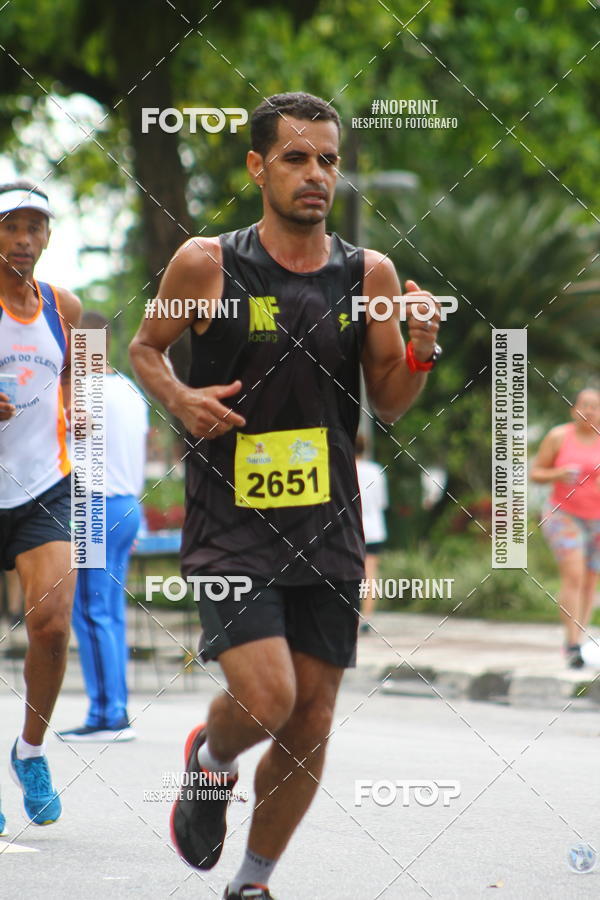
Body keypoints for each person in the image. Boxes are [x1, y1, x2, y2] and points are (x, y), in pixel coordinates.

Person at [129, 91, 442, 900]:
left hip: (328, 522)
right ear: (257, 166)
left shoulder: (365, 272)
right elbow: (145, 348)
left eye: (328, 160)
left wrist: (418, 350)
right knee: (268, 697)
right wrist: (180, 400)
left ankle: (254, 882)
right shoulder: (208, 262)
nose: (315, 175)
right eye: (297, 157)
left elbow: (391, 400)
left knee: (310, 721)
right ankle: (209, 759)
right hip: (230, 520)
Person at [0, 179, 81, 832]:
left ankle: (30, 752)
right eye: (11, 227)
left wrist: (80, 405)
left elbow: (82, 368)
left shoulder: (65, 306)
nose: (24, 241)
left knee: (52, 624)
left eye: (36, 228)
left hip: (45, 487)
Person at [58, 311, 148, 742]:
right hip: (128, 505)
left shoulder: (86, 393)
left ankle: (107, 715)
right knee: (109, 612)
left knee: (91, 612)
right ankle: (115, 709)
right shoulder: (131, 390)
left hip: (96, 506)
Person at [531, 388, 600, 668]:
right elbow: (536, 473)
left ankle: (580, 638)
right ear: (573, 410)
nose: (590, 411)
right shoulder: (559, 436)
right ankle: (571, 644)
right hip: (563, 514)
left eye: (596, 407)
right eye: (585, 405)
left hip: (597, 517)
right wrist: (558, 474)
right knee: (573, 575)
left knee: (589, 580)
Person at [355, 432, 388, 634]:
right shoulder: (376, 470)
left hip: (350, 529)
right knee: (370, 574)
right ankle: (367, 617)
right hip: (374, 529)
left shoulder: (341, 469)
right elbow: (382, 502)